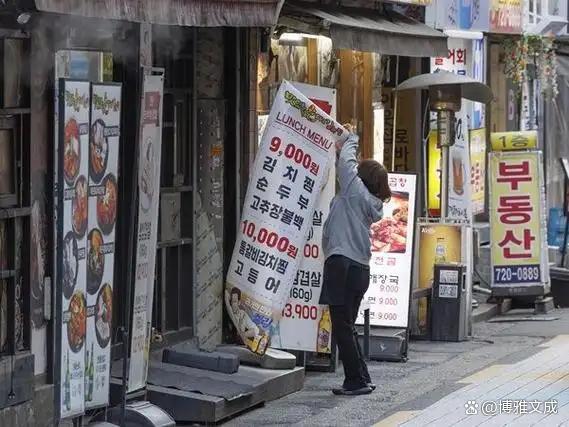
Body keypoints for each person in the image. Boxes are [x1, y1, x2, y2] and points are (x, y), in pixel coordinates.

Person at [320, 124, 391, 396]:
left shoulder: (354, 191)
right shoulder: (370, 202)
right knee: (347, 325)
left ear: (362, 178)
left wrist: (351, 137)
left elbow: (346, 164)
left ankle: (356, 380)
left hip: (342, 265)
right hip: (360, 267)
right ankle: (361, 377)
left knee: (342, 326)